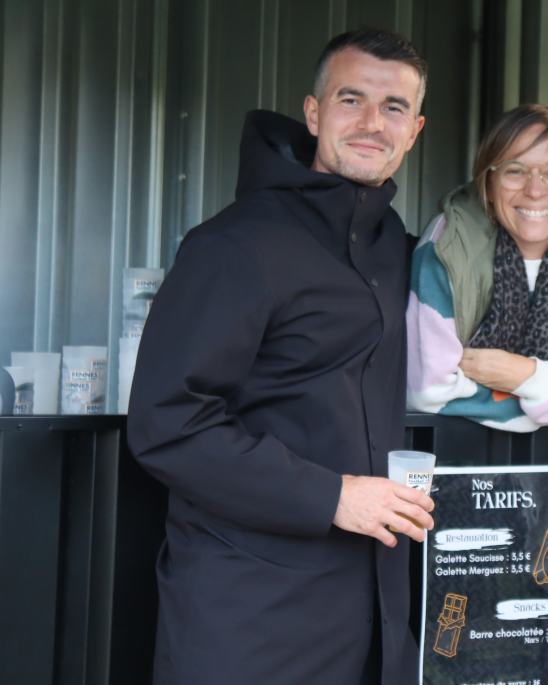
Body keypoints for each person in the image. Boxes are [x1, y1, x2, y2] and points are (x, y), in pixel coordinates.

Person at [128, 28, 431, 685]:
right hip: (249, 620)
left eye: (393, 107)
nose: (372, 123)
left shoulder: (398, 249)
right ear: (314, 114)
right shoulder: (234, 245)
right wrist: (331, 495)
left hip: (372, 620)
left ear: (414, 131)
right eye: (351, 100)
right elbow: (168, 423)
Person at [406, 104, 548, 432]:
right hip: (457, 454)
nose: (534, 190)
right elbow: (428, 391)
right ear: (489, 183)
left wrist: (523, 374)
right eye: (515, 170)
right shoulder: (449, 245)